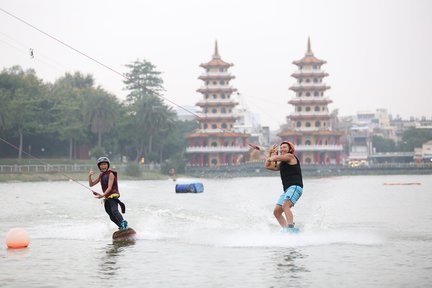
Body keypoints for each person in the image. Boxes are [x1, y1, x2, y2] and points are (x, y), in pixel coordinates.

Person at [264, 141, 303, 233]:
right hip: (287, 190)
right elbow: (267, 166)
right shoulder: (282, 164)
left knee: (286, 205)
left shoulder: (290, 156)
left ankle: (290, 228)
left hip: (295, 187)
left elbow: (275, 158)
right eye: (281, 148)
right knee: (276, 212)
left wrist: (272, 156)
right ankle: (286, 229)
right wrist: (269, 153)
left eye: (284, 147)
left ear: (290, 149)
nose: (282, 149)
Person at [89, 157, 128, 230]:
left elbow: (109, 187)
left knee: (114, 210)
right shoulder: (101, 175)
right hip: (107, 197)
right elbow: (91, 184)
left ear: (108, 165)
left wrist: (102, 195)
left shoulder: (111, 174)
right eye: (101, 165)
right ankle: (120, 226)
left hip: (113, 196)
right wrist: (89, 176)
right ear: (99, 166)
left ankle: (123, 223)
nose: (103, 166)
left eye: (105, 164)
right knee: (110, 215)